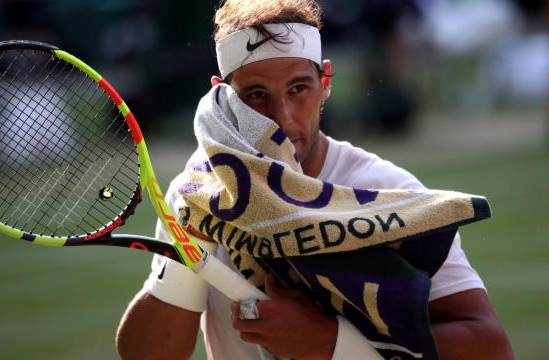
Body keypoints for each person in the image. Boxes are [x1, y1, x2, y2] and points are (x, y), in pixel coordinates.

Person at [117, 1, 513, 359]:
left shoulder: (387, 189)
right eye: (256, 95)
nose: (282, 119)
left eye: (298, 88)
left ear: (325, 82)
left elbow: (490, 346)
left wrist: (328, 342)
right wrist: (192, 237)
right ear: (224, 96)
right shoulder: (200, 190)